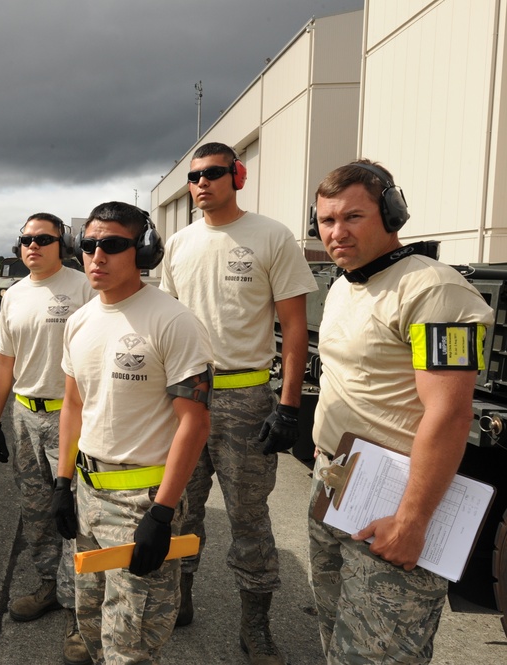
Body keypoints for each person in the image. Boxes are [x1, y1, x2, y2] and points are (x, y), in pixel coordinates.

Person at [308, 160, 493, 663]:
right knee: (336, 636)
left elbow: (451, 415)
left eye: (353, 217)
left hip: (393, 498)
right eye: (326, 221)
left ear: (391, 214)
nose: (337, 233)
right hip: (338, 479)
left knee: (378, 653)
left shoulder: (436, 290)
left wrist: (412, 519)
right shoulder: (346, 284)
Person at [158, 142, 316, 663]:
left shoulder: (271, 236)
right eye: (194, 177)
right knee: (182, 511)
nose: (201, 184)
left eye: (212, 173)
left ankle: (255, 629)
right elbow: (166, 322)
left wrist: (288, 406)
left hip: (247, 398)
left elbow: (293, 326)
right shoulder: (178, 244)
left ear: (237, 175)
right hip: (187, 398)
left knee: (249, 518)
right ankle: (180, 599)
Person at [52, 201, 214, 664]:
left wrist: (161, 514)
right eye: (88, 245)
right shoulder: (80, 321)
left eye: (112, 245)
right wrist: (64, 483)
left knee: (131, 644)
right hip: (87, 496)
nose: (96, 256)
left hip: (141, 501)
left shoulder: (173, 321)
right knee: (91, 626)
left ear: (142, 252)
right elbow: (75, 405)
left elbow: (195, 422)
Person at [0, 213, 95, 665]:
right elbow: (2, 363)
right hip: (25, 415)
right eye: (26, 240)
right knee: (35, 512)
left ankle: (79, 615)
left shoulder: (84, 287)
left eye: (43, 239)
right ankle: (50, 586)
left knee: (75, 516)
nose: (32, 246)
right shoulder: (14, 295)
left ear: (62, 243)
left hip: (70, 418)